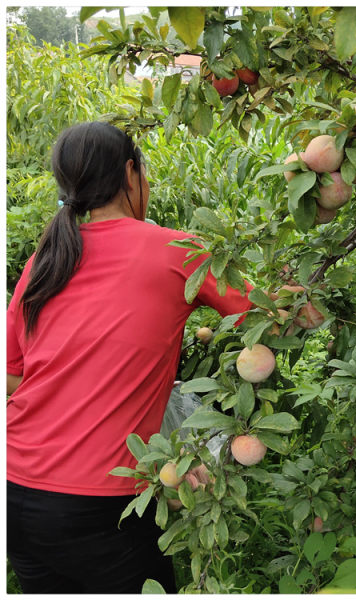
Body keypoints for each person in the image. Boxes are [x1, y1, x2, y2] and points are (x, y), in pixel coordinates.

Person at [6, 121, 253, 593]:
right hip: (102, 505)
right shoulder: (176, 250)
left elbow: (12, 378)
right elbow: (266, 317)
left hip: (15, 490)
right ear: (129, 173)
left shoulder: (46, 259)